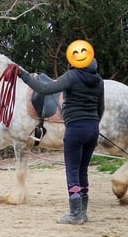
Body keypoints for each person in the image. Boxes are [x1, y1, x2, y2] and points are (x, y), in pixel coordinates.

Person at [18, 56, 105, 225]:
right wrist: (92, 123)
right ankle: (83, 212)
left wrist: (23, 75)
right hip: (92, 128)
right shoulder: (99, 80)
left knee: (72, 171)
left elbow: (43, 88)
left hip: (75, 129)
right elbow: (100, 108)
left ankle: (75, 214)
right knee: (82, 170)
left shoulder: (72, 76)